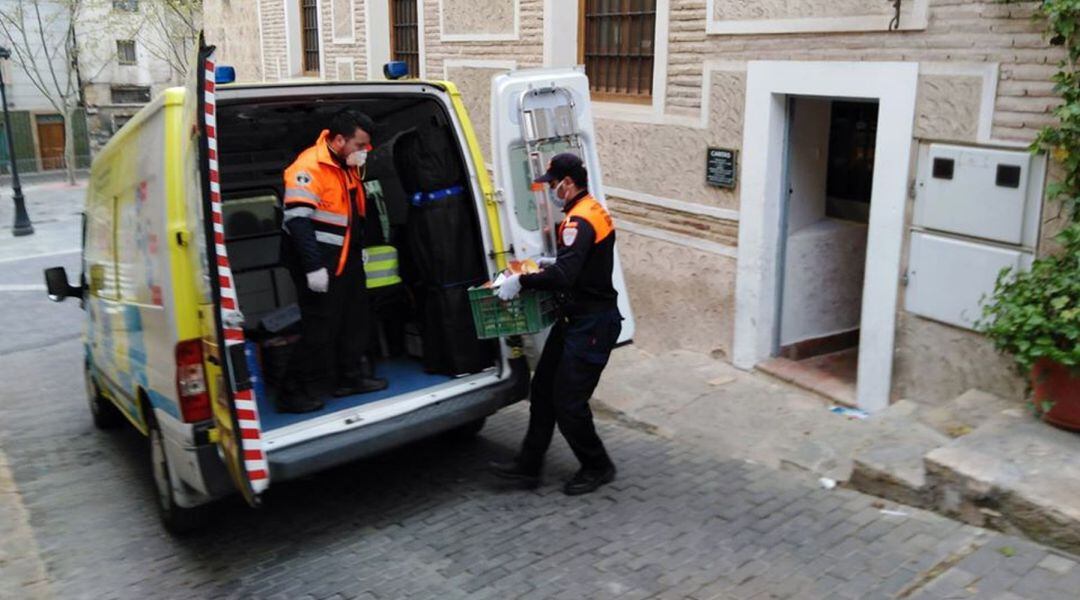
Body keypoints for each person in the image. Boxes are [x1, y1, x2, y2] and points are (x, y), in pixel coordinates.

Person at [490, 153, 623, 495]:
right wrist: (550, 262)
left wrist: (522, 281)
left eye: (553, 184)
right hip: (575, 319)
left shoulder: (579, 221)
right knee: (543, 391)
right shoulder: (590, 209)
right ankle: (528, 466)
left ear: (568, 182)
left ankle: (597, 466)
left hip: (591, 325)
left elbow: (565, 275)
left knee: (568, 401)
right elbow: (578, 263)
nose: (551, 190)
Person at [279, 110, 388, 413]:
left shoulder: (345, 166)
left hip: (346, 259)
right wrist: (313, 267)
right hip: (317, 264)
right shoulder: (309, 167)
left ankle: (350, 378)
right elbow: (297, 221)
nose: (365, 152)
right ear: (339, 140)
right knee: (319, 330)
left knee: (355, 320)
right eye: (360, 145)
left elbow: (352, 213)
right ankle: (291, 392)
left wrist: (359, 247)